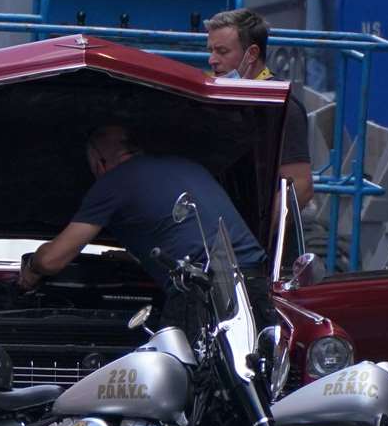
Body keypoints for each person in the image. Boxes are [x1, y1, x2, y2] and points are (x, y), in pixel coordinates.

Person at [19, 125, 272, 329]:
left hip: (203, 292)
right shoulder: (189, 167)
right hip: (255, 285)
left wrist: (31, 270)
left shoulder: (114, 182)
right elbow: (186, 232)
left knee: (179, 381)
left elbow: (52, 260)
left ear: (99, 162)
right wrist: (132, 258)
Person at [205, 9, 313, 208]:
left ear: (252, 53)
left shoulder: (283, 108)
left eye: (222, 51)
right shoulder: (214, 99)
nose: (212, 60)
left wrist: (258, 231)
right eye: (210, 50)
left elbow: (301, 185)